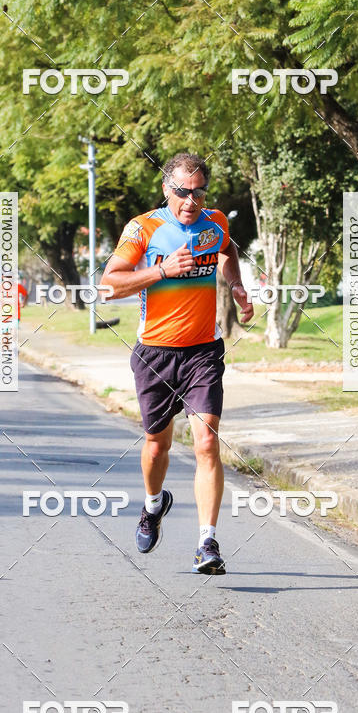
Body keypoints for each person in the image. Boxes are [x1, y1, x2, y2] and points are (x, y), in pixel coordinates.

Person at [103, 152, 254, 574]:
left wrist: (237, 288)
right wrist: (161, 271)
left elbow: (226, 252)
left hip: (203, 351)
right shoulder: (143, 228)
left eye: (199, 192)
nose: (191, 201)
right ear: (166, 188)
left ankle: (207, 543)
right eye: (182, 192)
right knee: (157, 445)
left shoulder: (215, 222)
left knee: (206, 442)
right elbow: (108, 286)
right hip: (154, 353)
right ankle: (153, 506)